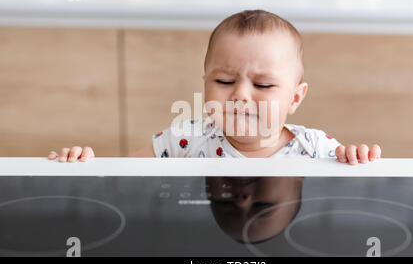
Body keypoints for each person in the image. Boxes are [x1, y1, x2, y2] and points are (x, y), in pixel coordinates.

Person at [48, 10, 381, 164]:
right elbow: (123, 178)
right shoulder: (184, 140)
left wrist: (355, 157)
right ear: (205, 84)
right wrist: (84, 163)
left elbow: (354, 183)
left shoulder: (315, 148)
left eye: (263, 84)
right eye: (224, 81)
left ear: (294, 97)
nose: (240, 95)